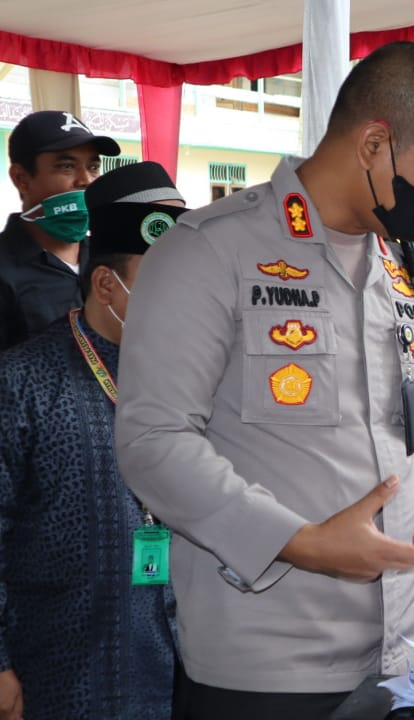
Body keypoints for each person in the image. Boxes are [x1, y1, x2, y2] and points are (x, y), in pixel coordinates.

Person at [114, 42, 414, 718]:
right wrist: (302, 542)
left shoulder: (394, 268)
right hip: (268, 666)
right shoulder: (210, 249)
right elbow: (152, 440)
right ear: (375, 144)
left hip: (398, 657)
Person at [0, 161, 185, 720]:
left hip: (183, 672)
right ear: (106, 283)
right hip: (60, 675)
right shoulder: (22, 383)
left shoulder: (198, 382)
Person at [0, 110, 120, 349]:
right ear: (21, 179)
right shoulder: (4, 270)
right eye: (67, 166)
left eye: (93, 166)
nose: (85, 180)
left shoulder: (111, 258)